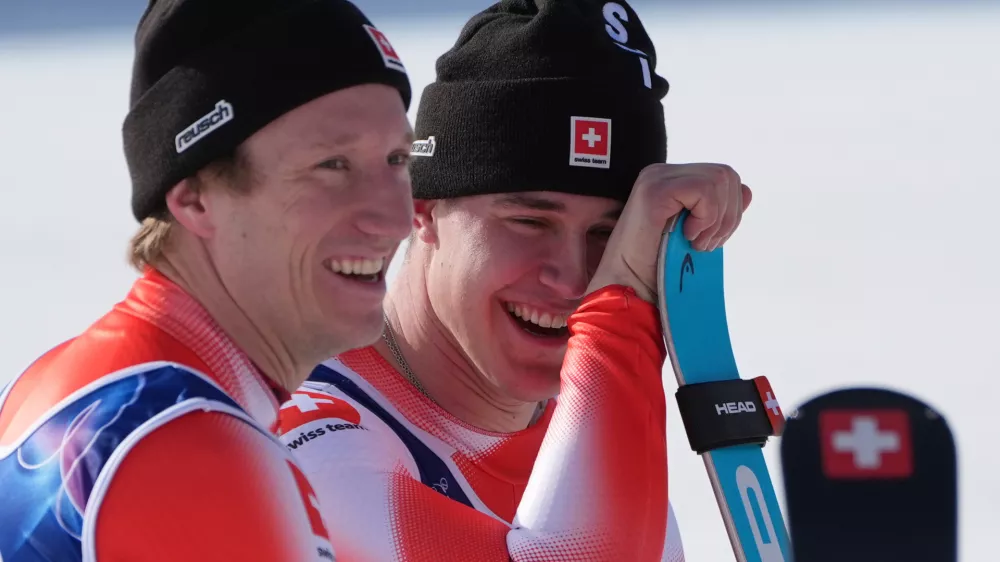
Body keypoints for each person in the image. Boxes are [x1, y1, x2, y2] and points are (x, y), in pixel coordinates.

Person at [278, 0, 750, 560]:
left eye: (610, 234)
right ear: (419, 208)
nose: (572, 277)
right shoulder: (310, 443)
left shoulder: (585, 432)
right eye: (529, 222)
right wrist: (624, 307)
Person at [0, 0, 415, 560]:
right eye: (332, 166)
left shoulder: (66, 382)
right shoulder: (193, 447)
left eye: (396, 159)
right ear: (194, 197)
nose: (394, 217)